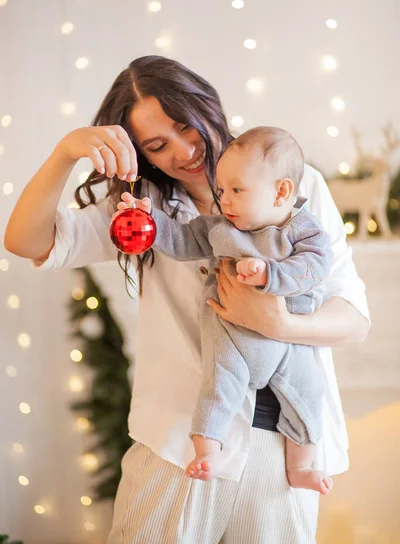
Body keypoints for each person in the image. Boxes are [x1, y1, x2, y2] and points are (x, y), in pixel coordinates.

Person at [4, 55, 370, 544]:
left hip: (283, 453)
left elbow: (352, 317)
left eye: (185, 127)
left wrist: (278, 323)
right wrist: (64, 155)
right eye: (158, 145)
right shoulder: (139, 212)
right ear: (143, 155)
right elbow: (26, 241)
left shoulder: (298, 189)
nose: (183, 151)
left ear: (207, 106)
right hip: (178, 445)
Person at [129, 125, 333, 494]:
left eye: (237, 190)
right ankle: (207, 452)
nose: (225, 201)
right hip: (231, 333)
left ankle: (302, 465)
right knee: (217, 388)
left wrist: (271, 274)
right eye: (222, 191)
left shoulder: (304, 230)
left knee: (308, 392)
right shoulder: (219, 228)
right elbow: (181, 239)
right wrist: (151, 222)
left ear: (281, 191)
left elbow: (315, 267)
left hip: (290, 342)